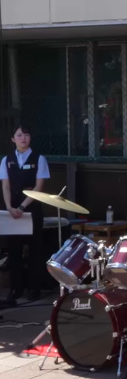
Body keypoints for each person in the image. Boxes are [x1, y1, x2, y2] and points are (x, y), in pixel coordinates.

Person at [1, 125, 50, 303]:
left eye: (26, 134)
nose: (23, 138)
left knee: (35, 250)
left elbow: (39, 187)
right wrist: (9, 206)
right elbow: (5, 185)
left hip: (31, 209)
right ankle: (16, 289)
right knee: (14, 250)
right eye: (19, 135)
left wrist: (22, 207)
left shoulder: (39, 159)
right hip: (11, 210)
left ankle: (34, 288)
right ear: (13, 139)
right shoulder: (6, 160)